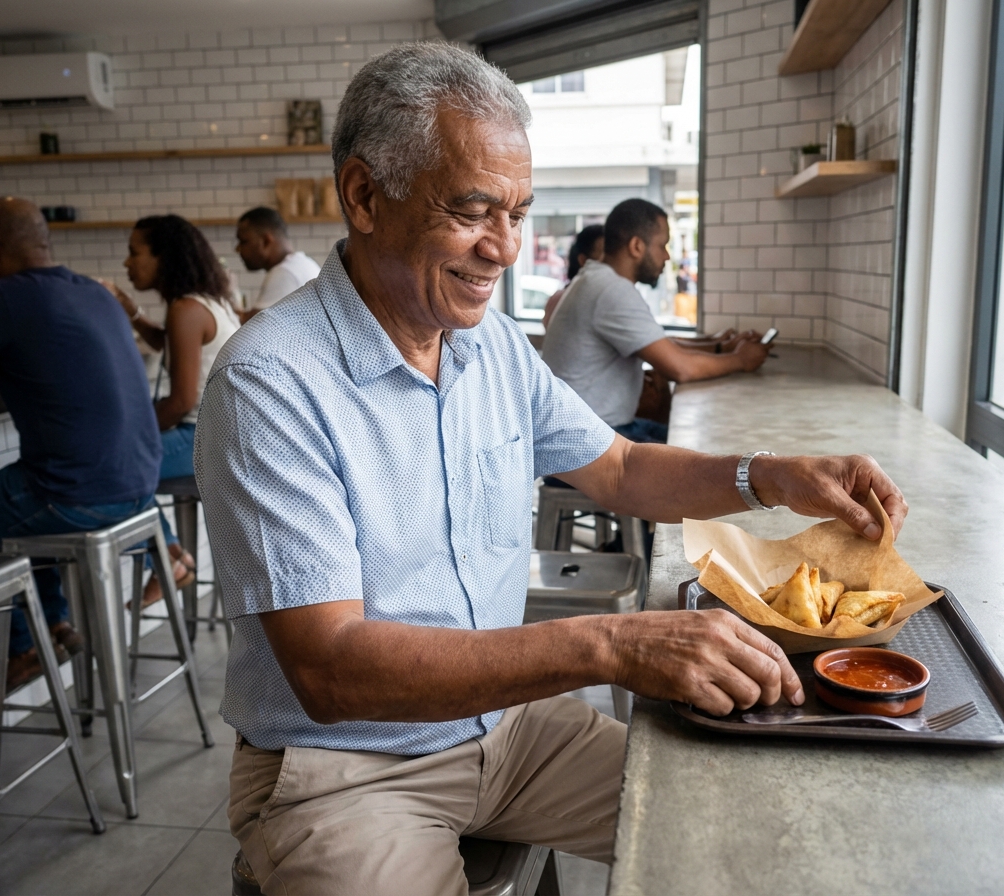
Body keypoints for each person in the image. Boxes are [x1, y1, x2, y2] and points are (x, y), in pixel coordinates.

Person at [195, 43, 909, 896]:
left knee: (748, 818)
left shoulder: (488, 343)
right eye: (472, 211)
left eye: (519, 213)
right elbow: (332, 667)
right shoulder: (269, 380)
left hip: (509, 731)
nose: (503, 249)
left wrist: (770, 476)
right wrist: (608, 644)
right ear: (364, 195)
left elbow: (620, 467)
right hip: (347, 767)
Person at [0, 197, 161, 690]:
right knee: (21, 498)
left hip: (78, 495)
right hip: (138, 489)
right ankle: (54, 624)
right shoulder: (94, 291)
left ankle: (24, 647)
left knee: (23, 494)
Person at [541, 198, 768, 444]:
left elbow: (660, 345)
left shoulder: (596, 280)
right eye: (663, 245)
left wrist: (721, 348)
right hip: (584, 443)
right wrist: (741, 360)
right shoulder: (611, 290)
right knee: (704, 451)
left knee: (694, 444)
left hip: (591, 430)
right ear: (637, 246)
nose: (667, 256)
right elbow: (680, 368)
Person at [104, 214, 240, 603]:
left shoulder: (186, 309)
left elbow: (181, 402)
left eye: (135, 253)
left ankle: (168, 558)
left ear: (165, 258)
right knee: (118, 465)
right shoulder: (207, 302)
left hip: (201, 436)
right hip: (219, 433)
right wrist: (132, 312)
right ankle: (171, 555)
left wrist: (136, 434)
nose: (128, 263)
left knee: (112, 471)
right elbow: (171, 344)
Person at [233, 207, 322, 323]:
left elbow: (250, 330)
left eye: (243, 241)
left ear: (266, 241)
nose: (237, 249)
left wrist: (228, 293)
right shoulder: (302, 263)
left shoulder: (284, 273)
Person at [541, 223, 604, 328]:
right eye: (604, 257)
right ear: (583, 260)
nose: (611, 264)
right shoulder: (564, 300)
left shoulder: (559, 297)